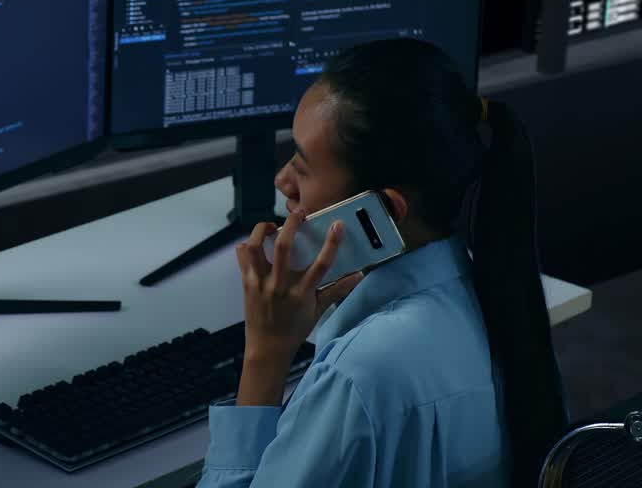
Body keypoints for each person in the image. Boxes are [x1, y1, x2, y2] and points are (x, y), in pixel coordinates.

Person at [197, 38, 568, 488]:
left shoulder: (359, 376)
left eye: (303, 167)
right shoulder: (488, 293)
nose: (282, 181)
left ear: (383, 214)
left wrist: (265, 354)